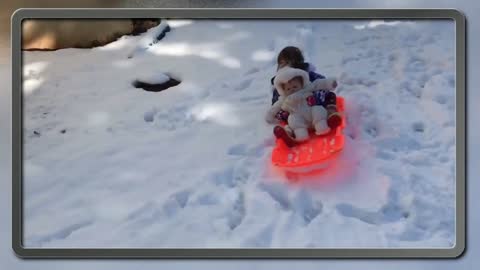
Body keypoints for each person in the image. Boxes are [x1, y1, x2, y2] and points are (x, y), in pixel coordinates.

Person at [269, 46, 341, 129]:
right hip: (294, 111)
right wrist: (280, 110)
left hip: (312, 105)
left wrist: (316, 96)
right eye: (282, 65)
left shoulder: (307, 75)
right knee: (286, 115)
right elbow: (276, 100)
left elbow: (321, 83)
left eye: (289, 63)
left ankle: (330, 114)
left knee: (330, 95)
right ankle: (289, 131)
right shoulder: (281, 82)